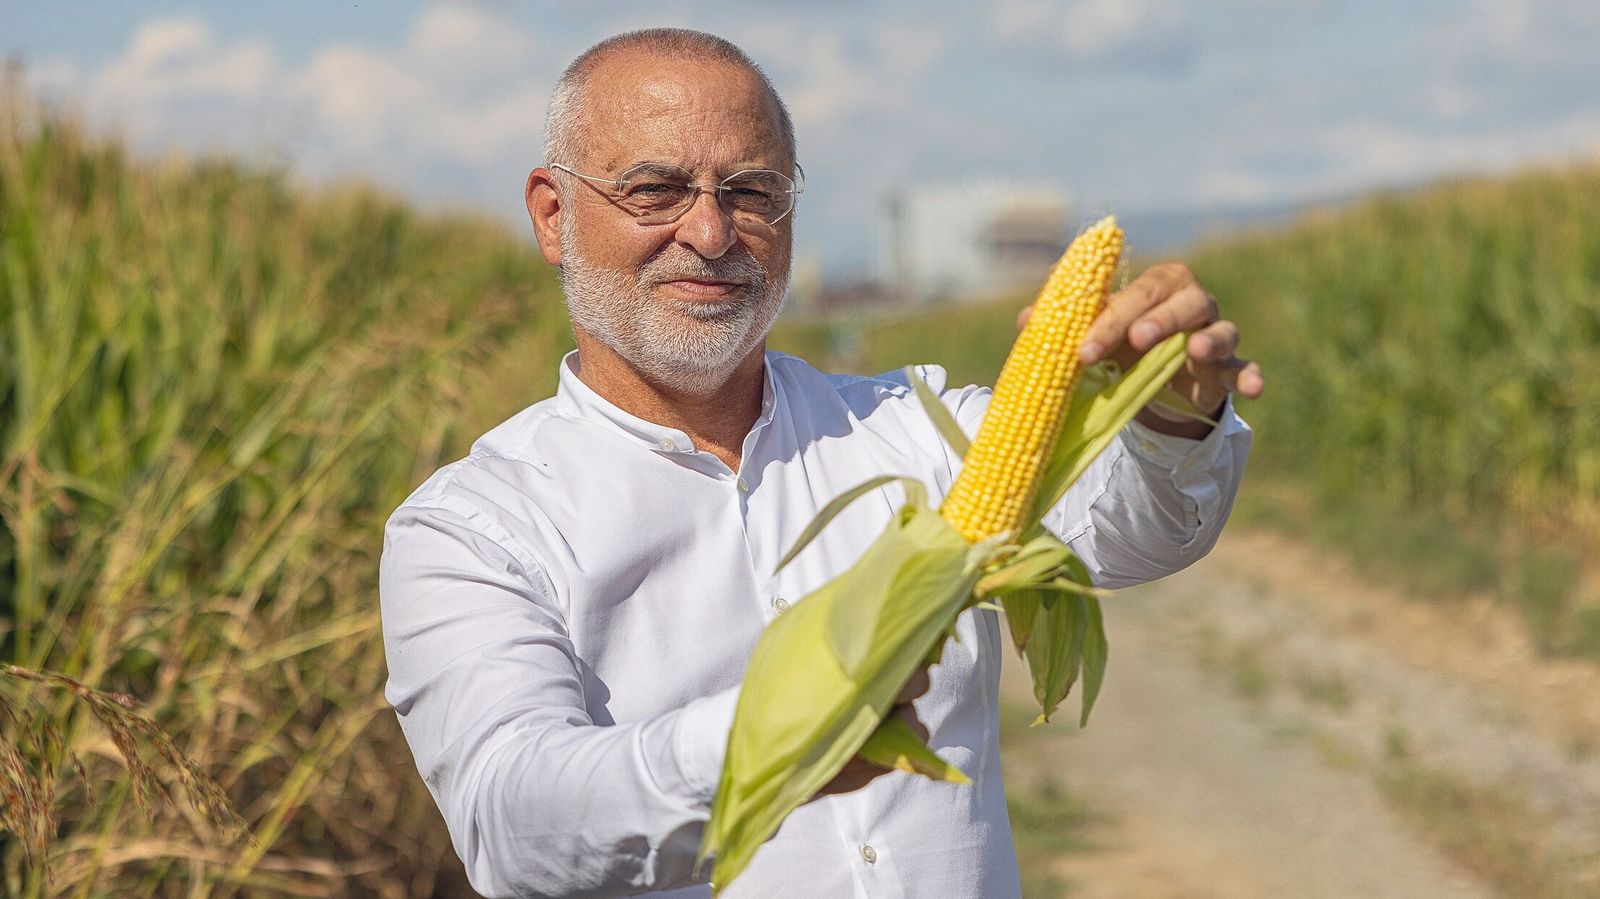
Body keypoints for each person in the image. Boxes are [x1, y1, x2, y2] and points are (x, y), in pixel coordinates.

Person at [379, 28, 1262, 899]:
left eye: (752, 191)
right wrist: (774, 732)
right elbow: (512, 819)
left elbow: (1134, 531)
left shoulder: (915, 429)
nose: (711, 230)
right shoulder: (474, 528)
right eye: (654, 190)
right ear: (552, 215)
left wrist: (1170, 415)